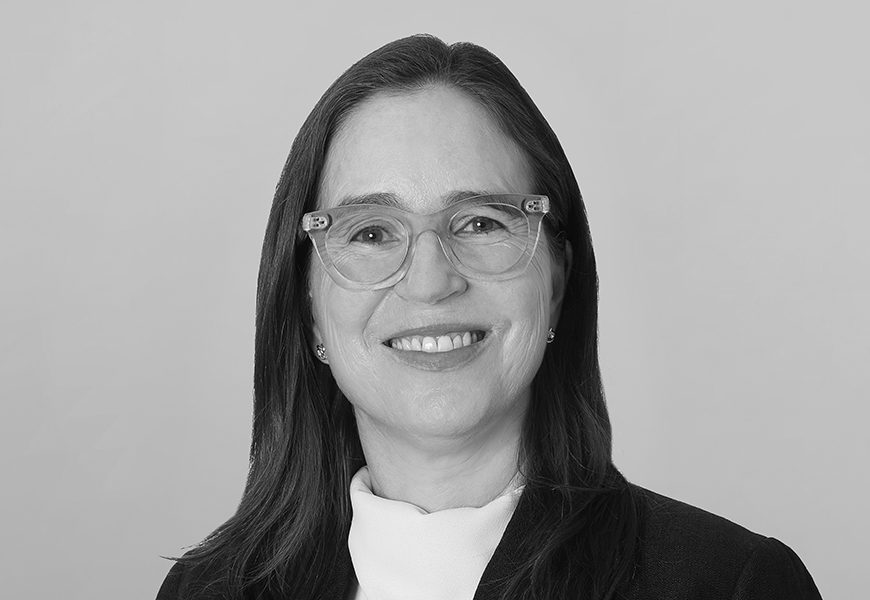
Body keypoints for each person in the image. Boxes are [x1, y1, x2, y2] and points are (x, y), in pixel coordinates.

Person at [157, 34, 822, 600]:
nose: (430, 281)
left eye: (479, 222)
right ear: (308, 310)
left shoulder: (729, 584)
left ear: (556, 281)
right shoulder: (205, 591)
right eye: (371, 232)